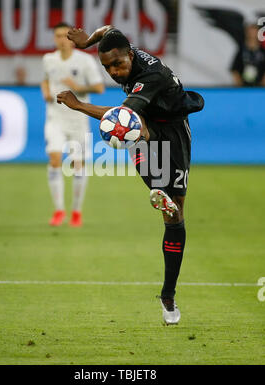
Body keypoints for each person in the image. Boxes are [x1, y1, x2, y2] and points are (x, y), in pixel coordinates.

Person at [56, 25, 204, 324]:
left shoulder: (152, 76)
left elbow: (122, 116)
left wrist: (78, 105)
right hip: (147, 124)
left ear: (130, 55)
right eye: (107, 66)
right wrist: (88, 41)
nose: (113, 71)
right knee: (132, 133)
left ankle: (168, 293)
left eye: (118, 64)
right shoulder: (121, 45)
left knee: (175, 218)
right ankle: (156, 186)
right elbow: (108, 29)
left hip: (174, 129)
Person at [41, 22, 104, 227]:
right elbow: (45, 79)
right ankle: (59, 210)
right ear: (54, 39)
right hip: (55, 117)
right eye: (58, 36)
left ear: (72, 39)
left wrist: (78, 87)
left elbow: (99, 87)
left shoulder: (85, 61)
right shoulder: (48, 60)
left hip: (77, 119)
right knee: (54, 159)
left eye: (65, 36)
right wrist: (45, 91)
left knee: (78, 165)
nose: (61, 40)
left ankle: (76, 211)